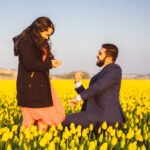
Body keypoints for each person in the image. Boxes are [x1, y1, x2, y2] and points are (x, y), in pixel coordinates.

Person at [13, 17, 65, 130]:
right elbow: (29, 64)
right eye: (47, 33)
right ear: (39, 29)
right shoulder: (26, 41)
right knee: (31, 121)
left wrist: (52, 62)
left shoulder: (40, 42)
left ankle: (40, 144)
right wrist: (50, 64)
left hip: (41, 85)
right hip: (31, 87)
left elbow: (40, 61)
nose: (48, 37)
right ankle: (25, 145)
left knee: (48, 119)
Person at [63, 43, 125, 130]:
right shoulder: (101, 73)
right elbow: (92, 93)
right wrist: (78, 82)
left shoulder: (114, 69)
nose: (96, 55)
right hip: (96, 115)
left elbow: (98, 87)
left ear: (109, 59)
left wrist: (77, 99)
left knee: (66, 120)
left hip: (107, 117)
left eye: (100, 53)